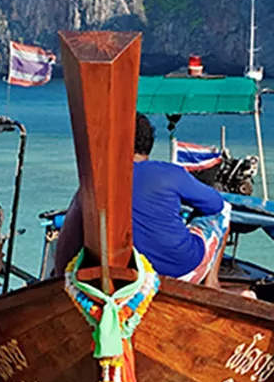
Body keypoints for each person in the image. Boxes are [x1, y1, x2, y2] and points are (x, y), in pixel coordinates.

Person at [52, 114, 232, 284]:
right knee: (225, 209)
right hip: (183, 272)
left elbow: (69, 239)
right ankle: (211, 282)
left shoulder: (96, 182)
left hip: (129, 274)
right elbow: (215, 204)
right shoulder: (170, 173)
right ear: (149, 144)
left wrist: (60, 278)